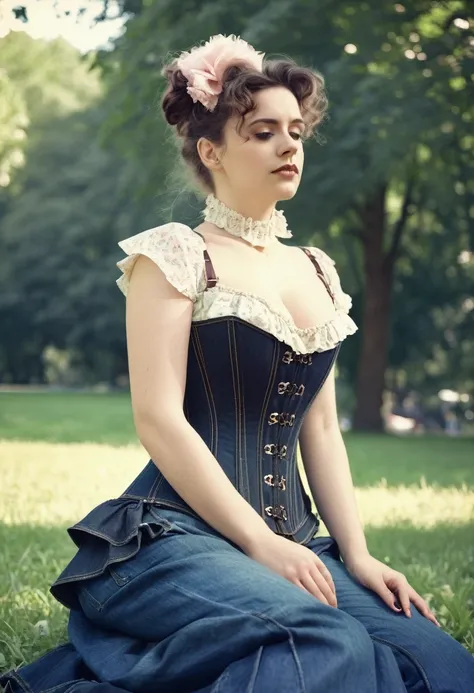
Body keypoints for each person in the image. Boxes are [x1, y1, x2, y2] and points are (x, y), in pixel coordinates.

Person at [2, 34, 473, 693]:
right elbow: (159, 420)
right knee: (326, 639)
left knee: (444, 666)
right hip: (168, 539)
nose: (288, 146)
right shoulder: (174, 254)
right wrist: (260, 541)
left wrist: (357, 554)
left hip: (298, 540)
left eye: (296, 132)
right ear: (210, 150)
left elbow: (323, 431)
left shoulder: (317, 269)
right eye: (263, 132)